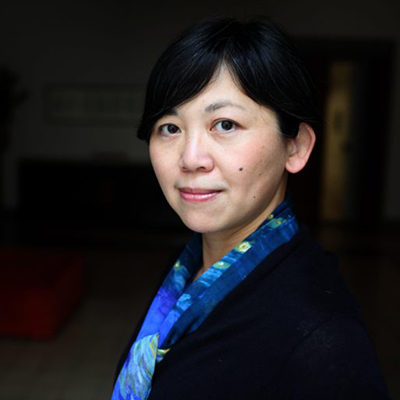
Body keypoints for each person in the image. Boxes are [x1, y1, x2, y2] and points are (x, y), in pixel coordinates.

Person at [112, 17, 390, 400]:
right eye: (170, 127)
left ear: (296, 147)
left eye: (225, 124)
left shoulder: (323, 339)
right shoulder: (191, 268)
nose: (191, 159)